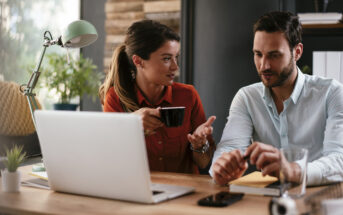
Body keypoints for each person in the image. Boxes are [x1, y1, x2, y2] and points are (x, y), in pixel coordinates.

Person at [210, 11, 343, 186]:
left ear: (297, 52)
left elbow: (339, 161)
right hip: (267, 201)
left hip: (321, 199)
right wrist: (222, 167)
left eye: (274, 55)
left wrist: (292, 170)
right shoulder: (247, 98)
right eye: (258, 54)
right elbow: (228, 149)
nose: (264, 65)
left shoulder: (332, 93)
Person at [99, 20, 215, 174]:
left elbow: (203, 162)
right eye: (167, 59)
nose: (175, 67)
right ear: (138, 61)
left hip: (184, 192)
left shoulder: (188, 95)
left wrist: (199, 145)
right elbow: (110, 158)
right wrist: (131, 124)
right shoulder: (115, 98)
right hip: (140, 191)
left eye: (176, 57)